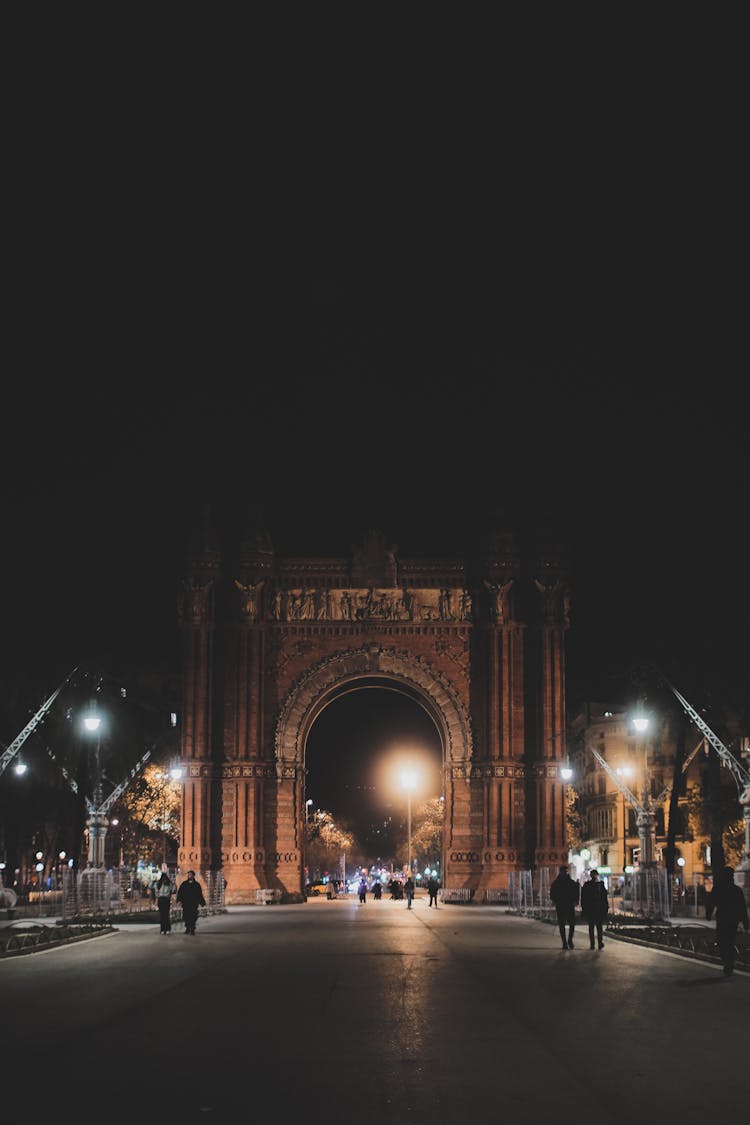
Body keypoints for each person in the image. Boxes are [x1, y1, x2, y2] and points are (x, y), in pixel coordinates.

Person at [705, 865, 750, 977]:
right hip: (730, 920)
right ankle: (728, 962)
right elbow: (742, 908)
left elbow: (711, 902)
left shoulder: (721, 889)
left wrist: (709, 914)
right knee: (727, 942)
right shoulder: (734, 890)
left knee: (724, 942)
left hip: (725, 919)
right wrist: (745, 922)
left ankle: (728, 963)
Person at [549, 864, 579, 949]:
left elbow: (576, 893)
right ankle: (564, 943)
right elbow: (552, 894)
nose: (565, 873)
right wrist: (555, 901)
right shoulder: (556, 883)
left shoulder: (571, 882)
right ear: (560, 872)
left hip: (569, 906)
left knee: (572, 924)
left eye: (566, 871)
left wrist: (575, 901)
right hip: (561, 906)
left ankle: (569, 940)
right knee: (561, 925)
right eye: (563, 871)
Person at [580, 868, 608, 949]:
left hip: (595, 908)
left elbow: (604, 897)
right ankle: (596, 943)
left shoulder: (599, 884)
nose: (594, 876)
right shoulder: (593, 885)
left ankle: (596, 943)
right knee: (596, 926)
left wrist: (605, 907)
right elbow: (584, 898)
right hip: (594, 908)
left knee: (595, 927)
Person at [176, 869, 206, 935]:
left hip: (193, 904)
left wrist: (202, 902)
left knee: (193, 916)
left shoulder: (196, 885)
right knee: (186, 916)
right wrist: (179, 900)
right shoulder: (184, 884)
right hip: (186, 903)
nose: (190, 876)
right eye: (189, 875)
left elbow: (199, 894)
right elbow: (180, 893)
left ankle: (192, 929)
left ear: (193, 876)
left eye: (191, 875)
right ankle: (187, 928)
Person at [154, 864, 175, 935]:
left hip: (163, 899)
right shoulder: (167, 884)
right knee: (164, 915)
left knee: (164, 915)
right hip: (165, 899)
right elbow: (173, 890)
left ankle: (164, 929)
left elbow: (156, 891)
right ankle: (165, 929)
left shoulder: (161, 884)